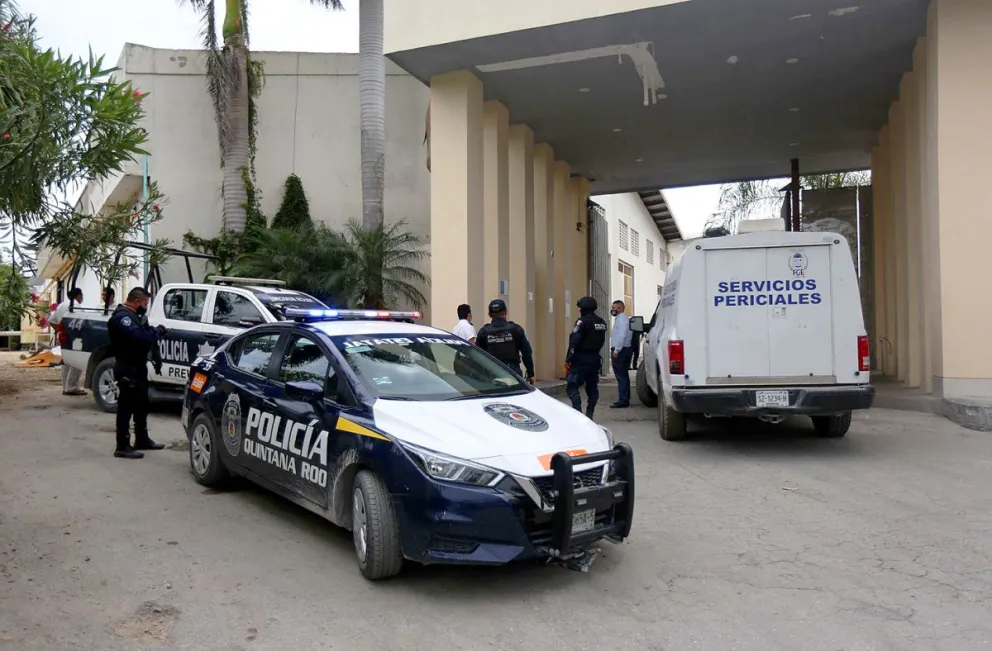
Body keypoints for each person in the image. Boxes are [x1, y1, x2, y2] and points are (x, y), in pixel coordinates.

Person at [107, 287, 167, 459]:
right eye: (145, 304)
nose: (145, 307)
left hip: (139, 366)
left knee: (142, 404)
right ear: (136, 302)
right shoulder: (122, 317)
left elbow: (148, 339)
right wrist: (156, 332)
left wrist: (157, 359)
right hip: (127, 367)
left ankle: (142, 438)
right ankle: (122, 445)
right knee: (126, 407)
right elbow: (139, 337)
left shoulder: (137, 317)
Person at [565, 296, 608, 419]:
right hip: (595, 358)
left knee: (572, 386)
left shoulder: (582, 321)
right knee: (592, 388)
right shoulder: (601, 322)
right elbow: (601, 341)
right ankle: (590, 414)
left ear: (583, 309)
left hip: (581, 359)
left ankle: (578, 414)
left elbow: (574, 341)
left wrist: (568, 358)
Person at [475, 298, 535, 384]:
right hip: (513, 375)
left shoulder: (483, 332)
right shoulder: (516, 329)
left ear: (489, 315)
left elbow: (477, 357)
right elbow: (527, 353)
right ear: (506, 312)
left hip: (492, 376)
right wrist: (531, 373)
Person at [50, 288, 86, 396]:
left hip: (63, 336)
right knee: (77, 361)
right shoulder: (77, 306)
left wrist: (59, 331)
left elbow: (51, 320)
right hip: (75, 337)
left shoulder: (61, 305)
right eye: (81, 296)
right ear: (78, 296)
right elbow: (82, 323)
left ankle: (65, 387)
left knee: (66, 362)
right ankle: (72, 387)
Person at [609, 300, 634, 409]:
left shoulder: (622, 320)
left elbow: (622, 336)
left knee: (621, 376)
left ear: (619, 308)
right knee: (622, 375)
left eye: (614, 308)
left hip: (621, 351)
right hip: (623, 349)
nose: (612, 310)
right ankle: (624, 398)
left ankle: (623, 400)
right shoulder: (621, 319)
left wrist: (616, 350)